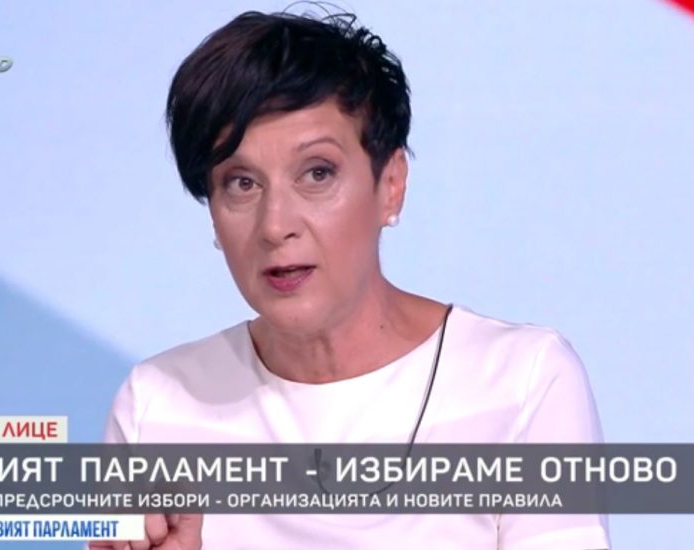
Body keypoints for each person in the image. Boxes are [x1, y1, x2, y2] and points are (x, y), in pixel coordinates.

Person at [94, 7, 610, 550]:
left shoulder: (520, 380)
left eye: (317, 173)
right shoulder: (159, 404)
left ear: (391, 185)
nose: (275, 225)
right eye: (241, 183)